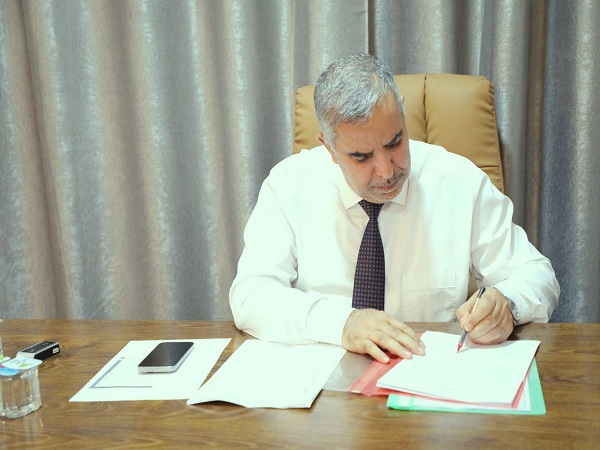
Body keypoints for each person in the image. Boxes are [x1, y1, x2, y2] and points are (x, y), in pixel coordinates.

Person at [229, 53, 560, 363]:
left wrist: (508, 304)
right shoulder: (289, 185)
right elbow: (250, 294)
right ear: (329, 148)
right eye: (361, 157)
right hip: (323, 380)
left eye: (394, 142)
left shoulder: (460, 183)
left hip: (428, 376)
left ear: (402, 112)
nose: (387, 171)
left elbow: (537, 275)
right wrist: (342, 324)